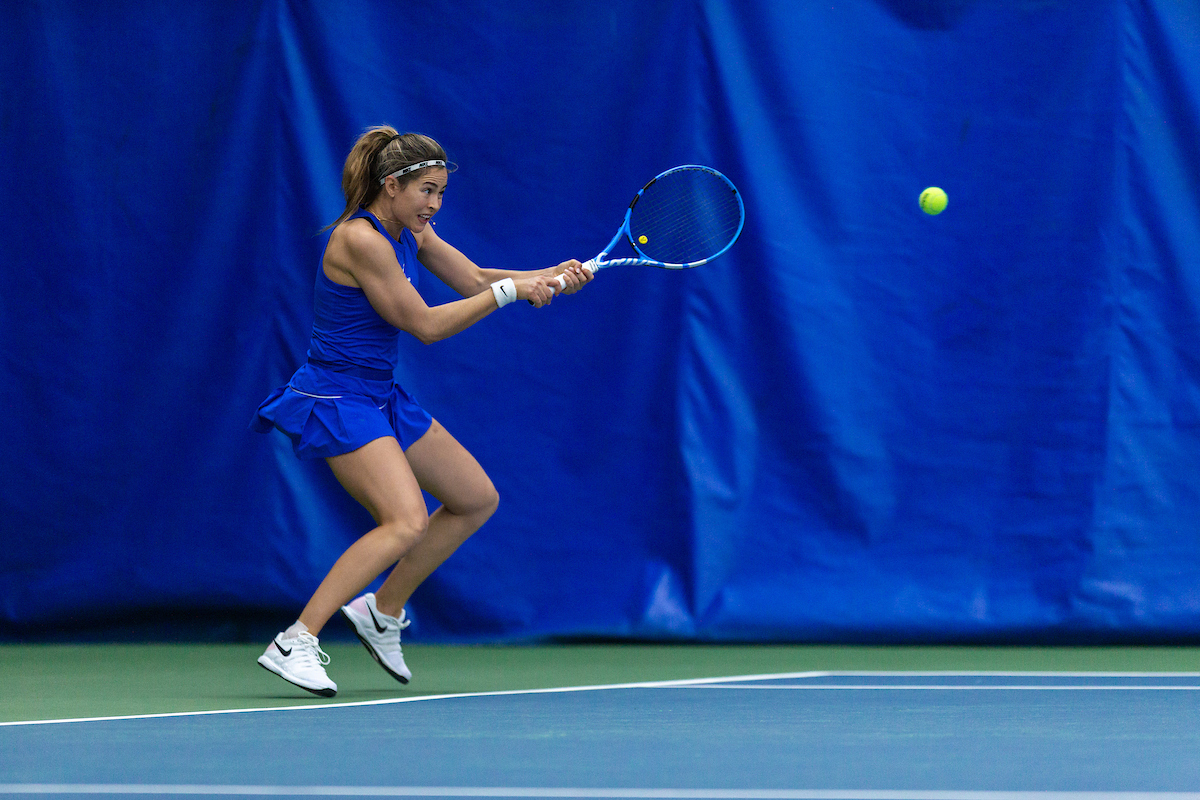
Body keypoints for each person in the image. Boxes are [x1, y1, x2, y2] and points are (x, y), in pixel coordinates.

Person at [251, 126, 591, 696]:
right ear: (391, 185)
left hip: (380, 394)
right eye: (426, 191)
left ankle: (382, 610)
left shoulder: (413, 231)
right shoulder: (360, 240)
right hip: (337, 397)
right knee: (405, 520)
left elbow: (474, 279)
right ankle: (295, 641)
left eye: (441, 193)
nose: (433, 204)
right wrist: (513, 293)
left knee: (474, 498)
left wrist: (547, 277)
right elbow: (427, 326)